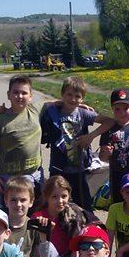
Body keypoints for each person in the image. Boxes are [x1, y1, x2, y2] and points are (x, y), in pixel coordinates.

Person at [39, 75, 112, 210]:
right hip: (58, 168)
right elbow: (42, 106)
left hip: (79, 169)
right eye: (69, 95)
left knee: (84, 207)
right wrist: (58, 102)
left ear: (82, 98)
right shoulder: (53, 112)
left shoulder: (83, 114)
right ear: (62, 94)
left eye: (77, 96)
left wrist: (91, 136)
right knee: (56, 205)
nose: (73, 99)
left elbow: (109, 121)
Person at [30, 174, 98, 257]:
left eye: (64, 196)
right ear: (46, 197)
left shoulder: (73, 214)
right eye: (54, 197)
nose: (60, 201)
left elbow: (75, 248)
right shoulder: (39, 217)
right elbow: (38, 252)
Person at [0, 75, 42, 205]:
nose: (20, 96)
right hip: (9, 180)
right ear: (8, 95)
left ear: (31, 96)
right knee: (7, 213)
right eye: (15, 92)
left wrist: (79, 106)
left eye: (24, 93)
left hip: (35, 177)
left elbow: (59, 103)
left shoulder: (36, 110)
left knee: (37, 213)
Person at [3, 177, 45, 257]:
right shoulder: (0, 225)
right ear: (6, 201)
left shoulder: (33, 226)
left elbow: (39, 255)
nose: (18, 204)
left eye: (23, 200)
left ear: (31, 202)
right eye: (13, 200)